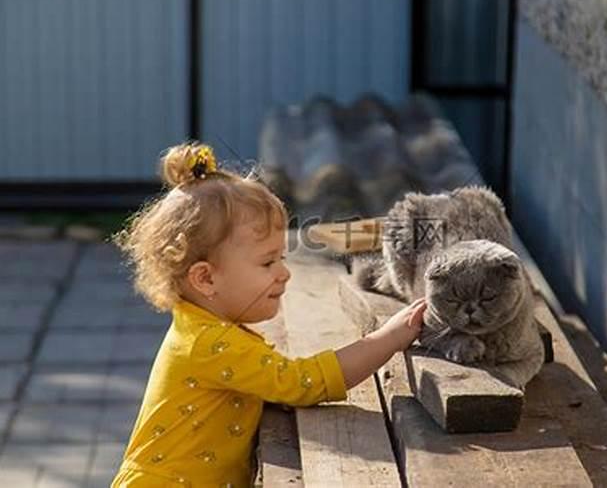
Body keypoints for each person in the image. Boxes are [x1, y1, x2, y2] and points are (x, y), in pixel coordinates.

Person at [110, 142, 426, 487]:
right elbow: (303, 382)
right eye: (267, 262)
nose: (284, 273)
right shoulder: (212, 342)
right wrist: (390, 338)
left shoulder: (202, 326)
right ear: (206, 278)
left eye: (282, 259)